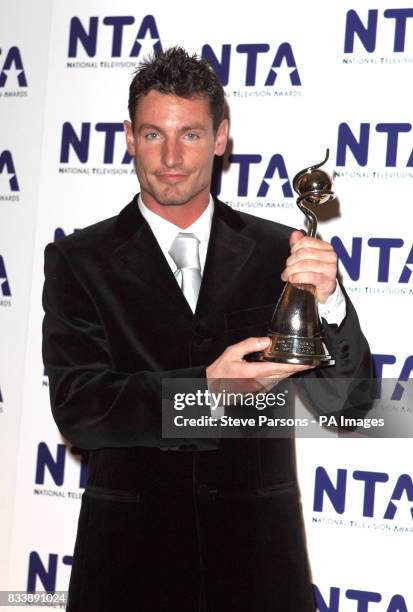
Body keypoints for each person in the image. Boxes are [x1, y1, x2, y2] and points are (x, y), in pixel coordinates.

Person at [42, 47, 372, 612]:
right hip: (128, 569)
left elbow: (348, 403)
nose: (171, 156)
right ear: (127, 136)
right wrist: (205, 392)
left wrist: (333, 302)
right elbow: (80, 409)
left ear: (221, 137)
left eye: (190, 135)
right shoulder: (79, 260)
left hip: (259, 568)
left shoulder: (281, 252)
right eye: (152, 135)